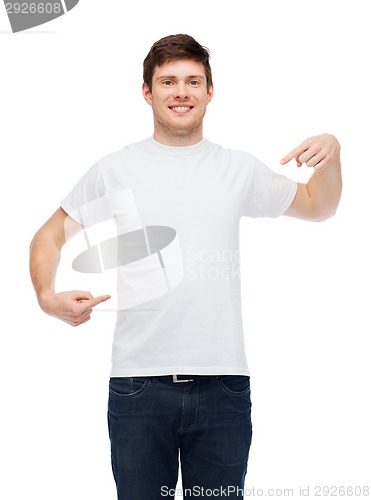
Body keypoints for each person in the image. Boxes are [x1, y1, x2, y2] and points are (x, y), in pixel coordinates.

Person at [29, 34, 342, 499]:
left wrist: (333, 151)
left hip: (224, 388)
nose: (182, 92)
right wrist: (46, 297)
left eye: (193, 81)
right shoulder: (116, 168)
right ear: (147, 92)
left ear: (210, 92)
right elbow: (49, 235)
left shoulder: (237, 169)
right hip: (138, 387)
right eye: (168, 81)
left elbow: (320, 205)